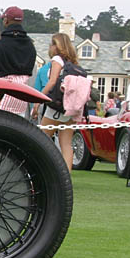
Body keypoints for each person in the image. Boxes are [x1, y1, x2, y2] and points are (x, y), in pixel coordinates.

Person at [0, 6, 37, 117]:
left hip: (2, 97)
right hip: (21, 96)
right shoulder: (29, 44)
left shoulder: (0, 43)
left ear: (6, 20)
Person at [40, 33, 83, 172]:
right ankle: (66, 178)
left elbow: (52, 82)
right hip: (70, 107)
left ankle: (39, 171)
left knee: (42, 139)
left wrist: (38, 98)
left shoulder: (57, 59)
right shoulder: (73, 63)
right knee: (66, 144)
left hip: (56, 106)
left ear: (56, 46)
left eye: (51, 44)